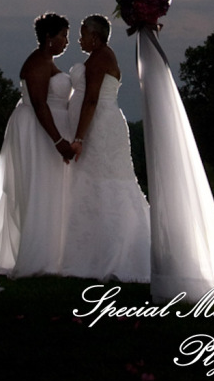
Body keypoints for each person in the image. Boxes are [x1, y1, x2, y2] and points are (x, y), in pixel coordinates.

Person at [61, 14, 151, 282]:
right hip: (102, 125)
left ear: (95, 36)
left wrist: (78, 138)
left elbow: (91, 101)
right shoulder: (101, 56)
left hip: (100, 127)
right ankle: (95, 249)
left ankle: (116, 252)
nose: (79, 39)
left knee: (107, 182)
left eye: (82, 34)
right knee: (96, 183)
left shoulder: (100, 58)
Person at [0, 13, 76, 277]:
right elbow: (39, 104)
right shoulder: (38, 62)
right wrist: (58, 140)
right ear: (49, 38)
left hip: (43, 129)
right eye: (63, 36)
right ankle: (38, 256)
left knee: (46, 187)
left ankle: (51, 252)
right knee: (39, 186)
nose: (67, 42)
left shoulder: (46, 60)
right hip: (38, 131)